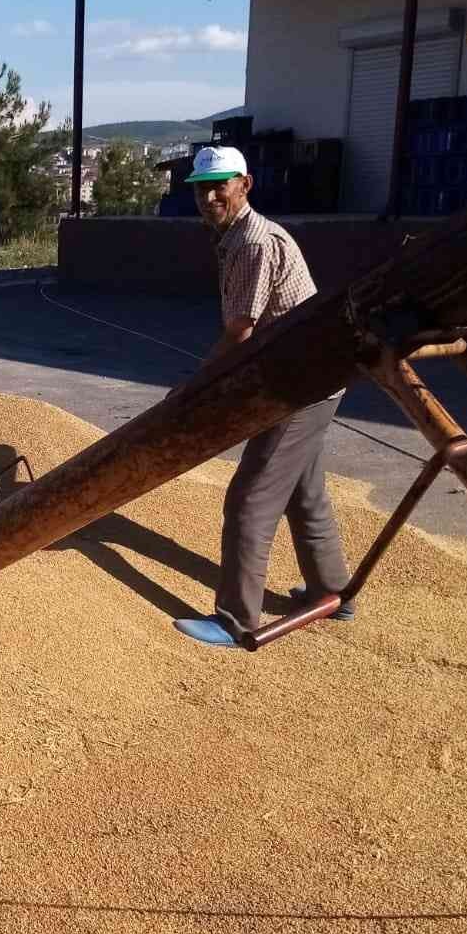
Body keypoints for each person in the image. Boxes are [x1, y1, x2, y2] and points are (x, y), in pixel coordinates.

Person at [172, 145, 354, 649]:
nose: (209, 196)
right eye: (201, 188)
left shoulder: (253, 241)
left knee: (250, 496)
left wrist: (195, 387)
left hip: (300, 385)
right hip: (301, 377)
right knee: (304, 490)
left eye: (220, 186)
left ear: (244, 185)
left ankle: (236, 620)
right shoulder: (233, 238)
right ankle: (334, 589)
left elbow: (240, 332)